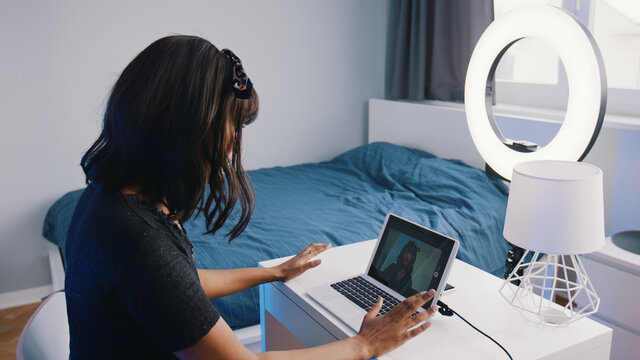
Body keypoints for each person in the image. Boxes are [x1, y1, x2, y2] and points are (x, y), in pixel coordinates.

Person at [64, 35, 437, 359]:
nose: (233, 143)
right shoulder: (139, 240)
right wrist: (364, 345)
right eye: (235, 124)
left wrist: (274, 272)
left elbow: (179, 282)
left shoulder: (108, 196)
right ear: (189, 124)